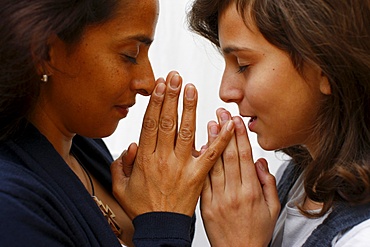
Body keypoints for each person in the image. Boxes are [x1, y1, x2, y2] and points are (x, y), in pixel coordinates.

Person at [0, 0, 241, 246]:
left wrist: (167, 198)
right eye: (130, 55)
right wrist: (164, 219)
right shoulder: (9, 207)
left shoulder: (82, 149)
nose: (148, 82)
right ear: (45, 52)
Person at [188, 0, 370, 246]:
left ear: (327, 67)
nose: (226, 91)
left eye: (243, 65)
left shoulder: (360, 236)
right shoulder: (300, 175)